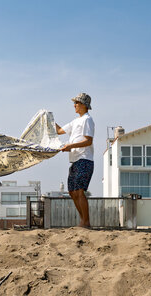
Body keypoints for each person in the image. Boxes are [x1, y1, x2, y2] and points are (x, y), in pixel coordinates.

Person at [56, 93, 95, 228]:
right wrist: (48, 119)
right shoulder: (75, 121)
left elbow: (88, 141)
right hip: (75, 160)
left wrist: (70, 146)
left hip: (85, 159)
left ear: (84, 105)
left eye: (77, 103)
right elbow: (60, 131)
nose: (74, 105)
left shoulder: (87, 120)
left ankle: (86, 222)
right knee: (72, 192)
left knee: (79, 191)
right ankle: (83, 220)